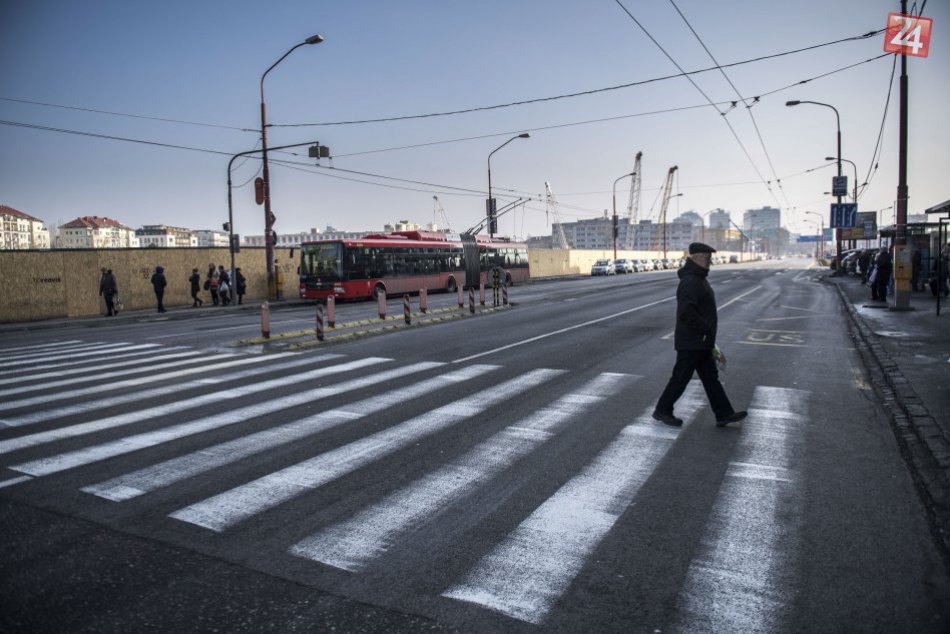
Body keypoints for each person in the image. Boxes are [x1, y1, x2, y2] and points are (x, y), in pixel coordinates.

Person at [653, 242, 747, 428]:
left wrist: (709, 337)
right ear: (695, 257)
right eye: (706, 258)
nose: (709, 262)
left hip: (701, 341)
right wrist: (705, 329)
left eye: (710, 258)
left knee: (710, 378)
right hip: (692, 341)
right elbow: (686, 312)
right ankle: (663, 410)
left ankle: (723, 413)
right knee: (681, 377)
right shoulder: (691, 281)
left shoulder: (698, 278)